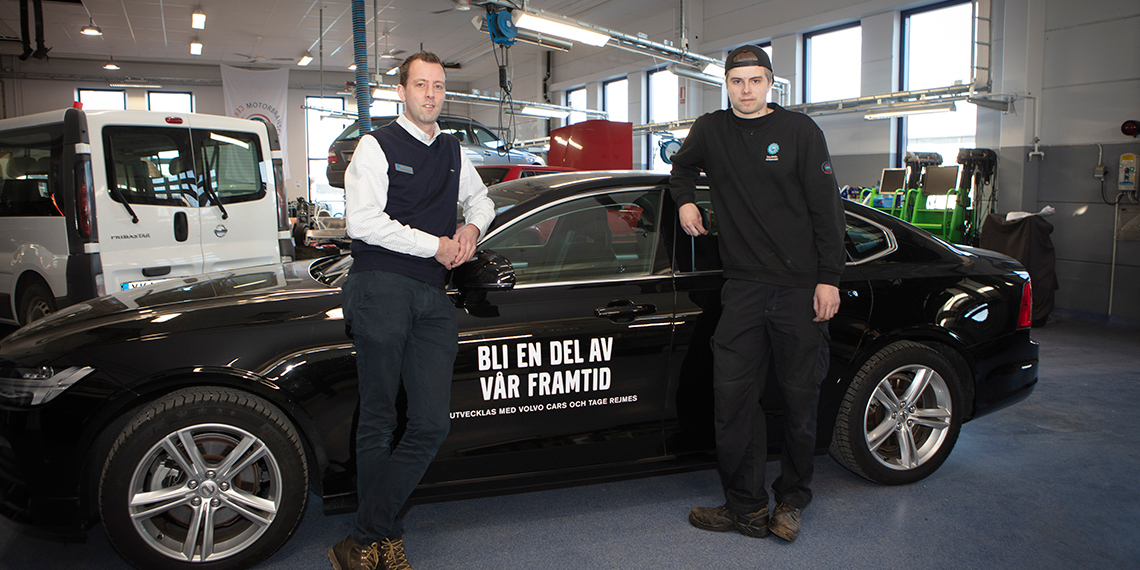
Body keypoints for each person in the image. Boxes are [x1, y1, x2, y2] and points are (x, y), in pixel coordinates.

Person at [669, 45, 845, 543]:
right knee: (733, 399)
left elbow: (826, 210)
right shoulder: (710, 129)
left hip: (798, 290)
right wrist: (686, 202)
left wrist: (829, 277)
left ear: (771, 83)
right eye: (736, 81)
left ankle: (791, 500)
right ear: (725, 84)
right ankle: (744, 505)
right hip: (742, 287)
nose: (745, 90)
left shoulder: (800, 132)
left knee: (798, 400)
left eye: (755, 80)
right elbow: (681, 169)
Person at [329, 51, 495, 570]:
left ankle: (364, 535)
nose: (430, 94)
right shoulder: (376, 145)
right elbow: (363, 223)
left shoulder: (451, 149)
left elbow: (482, 199)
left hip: (431, 296)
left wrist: (471, 229)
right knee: (379, 420)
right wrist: (438, 245)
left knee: (429, 424)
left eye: (438, 86)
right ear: (400, 91)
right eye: (420, 85)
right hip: (380, 287)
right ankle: (385, 538)